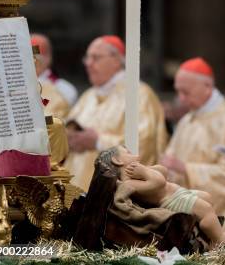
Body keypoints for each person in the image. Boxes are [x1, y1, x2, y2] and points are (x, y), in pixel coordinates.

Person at [64, 35, 168, 190]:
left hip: (112, 192)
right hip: (76, 189)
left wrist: (98, 142)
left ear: (116, 60)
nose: (88, 63)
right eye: (87, 57)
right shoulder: (88, 96)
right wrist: (70, 140)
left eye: (96, 57)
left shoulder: (139, 94)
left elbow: (145, 143)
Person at [159, 57, 225, 234]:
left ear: (207, 88)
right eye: (178, 92)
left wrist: (186, 169)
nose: (181, 99)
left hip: (221, 217)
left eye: (186, 92)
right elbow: (170, 158)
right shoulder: (188, 119)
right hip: (184, 214)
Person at [101, 146, 225, 246]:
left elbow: (163, 172)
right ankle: (219, 240)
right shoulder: (128, 183)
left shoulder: (137, 172)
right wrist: (146, 171)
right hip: (171, 201)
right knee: (205, 210)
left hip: (178, 193)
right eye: (128, 153)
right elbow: (158, 182)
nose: (133, 154)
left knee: (207, 197)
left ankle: (212, 233)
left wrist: (146, 169)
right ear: (117, 160)